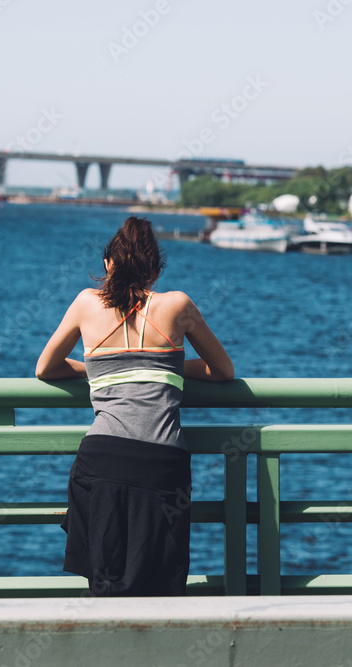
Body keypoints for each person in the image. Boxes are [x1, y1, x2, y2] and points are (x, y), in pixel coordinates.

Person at [36, 216, 233, 596]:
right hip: (162, 466)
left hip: (102, 459)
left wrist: (97, 367)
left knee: (105, 584)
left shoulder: (85, 303)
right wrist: (165, 365)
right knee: (159, 587)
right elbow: (223, 370)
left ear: (109, 264)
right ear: (155, 268)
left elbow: (45, 369)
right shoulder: (178, 305)